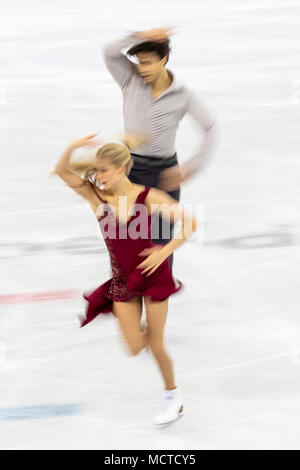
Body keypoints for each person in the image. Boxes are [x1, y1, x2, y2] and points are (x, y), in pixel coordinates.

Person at [54, 132, 197, 425]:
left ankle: (173, 396)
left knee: (156, 345)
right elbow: (61, 172)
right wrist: (72, 146)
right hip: (122, 281)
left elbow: (190, 222)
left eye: (103, 170)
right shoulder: (97, 198)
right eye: (96, 170)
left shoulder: (149, 197)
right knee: (134, 348)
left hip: (153, 276)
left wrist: (163, 252)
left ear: (121, 169)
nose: (99, 176)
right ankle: (149, 328)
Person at [102, 27, 216, 270]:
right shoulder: (129, 79)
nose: (142, 68)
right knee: (128, 240)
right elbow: (110, 52)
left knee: (161, 242)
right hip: (130, 172)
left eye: (148, 63)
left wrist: (191, 167)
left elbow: (210, 127)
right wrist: (141, 35)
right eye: (139, 62)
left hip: (165, 175)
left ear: (163, 59)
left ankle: (157, 300)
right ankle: (127, 300)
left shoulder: (182, 95)